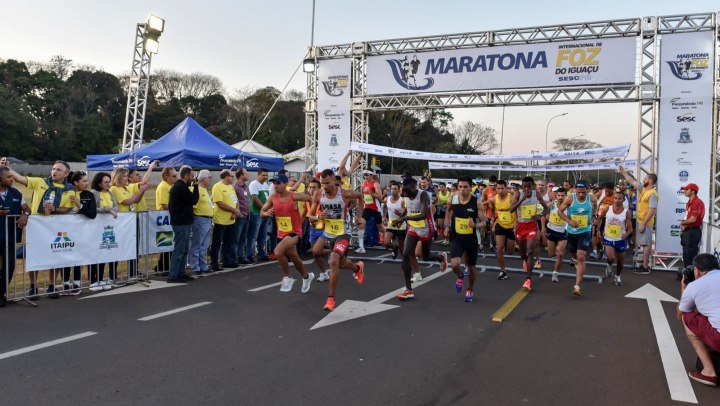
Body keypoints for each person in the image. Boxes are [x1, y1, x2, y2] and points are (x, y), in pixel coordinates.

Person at [6, 160, 74, 299]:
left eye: (59, 170)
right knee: (34, 257)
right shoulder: (40, 182)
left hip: (56, 228)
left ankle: (52, 286)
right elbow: (20, 179)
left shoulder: (69, 189)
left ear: (66, 174)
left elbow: (68, 208)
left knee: (56, 256)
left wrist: (55, 209)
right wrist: (7, 168)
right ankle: (33, 287)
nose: (54, 171)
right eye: (54, 168)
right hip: (37, 227)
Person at [310, 170, 365, 311]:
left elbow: (360, 196)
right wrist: (317, 217)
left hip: (343, 232)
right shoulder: (318, 194)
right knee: (316, 251)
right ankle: (357, 268)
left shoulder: (344, 193)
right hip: (328, 232)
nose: (324, 186)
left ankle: (331, 299)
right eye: (322, 183)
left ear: (334, 181)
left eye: (327, 183)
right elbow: (310, 217)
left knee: (334, 260)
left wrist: (359, 217)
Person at [392, 177, 448, 301]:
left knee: (425, 256)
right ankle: (409, 289)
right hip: (413, 228)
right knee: (406, 254)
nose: (406, 194)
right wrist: (400, 218)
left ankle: (440, 257)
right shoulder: (406, 195)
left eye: (408, 191)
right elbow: (408, 208)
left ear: (414, 186)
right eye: (405, 192)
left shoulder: (423, 195)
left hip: (426, 228)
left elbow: (423, 214)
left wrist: (405, 219)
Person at [260, 174, 314, 293]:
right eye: (274, 183)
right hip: (282, 233)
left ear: (285, 184)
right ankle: (306, 277)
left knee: (278, 252)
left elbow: (309, 199)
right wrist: (266, 212)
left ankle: (287, 277)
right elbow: (262, 211)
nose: (275, 185)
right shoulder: (272, 198)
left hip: (294, 232)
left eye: (278, 183)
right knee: (294, 257)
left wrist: (311, 213)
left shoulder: (293, 196)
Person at [678, 253, 720, 387]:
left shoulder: (694, 286)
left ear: (697, 270)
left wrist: (684, 289)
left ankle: (709, 372)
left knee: (688, 318)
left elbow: (680, 314)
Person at [444, 176, 485, 302]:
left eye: (465, 187)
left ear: (471, 187)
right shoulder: (453, 199)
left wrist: (475, 225)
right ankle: (461, 275)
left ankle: (470, 289)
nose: (462, 189)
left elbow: (484, 222)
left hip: (471, 239)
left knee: (471, 267)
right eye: (460, 187)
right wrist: (447, 226)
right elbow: (448, 212)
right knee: (455, 265)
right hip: (457, 238)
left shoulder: (476, 202)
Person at [557, 181, 597, 297]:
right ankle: (576, 262)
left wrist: (594, 216)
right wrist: (569, 221)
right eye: (578, 192)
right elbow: (560, 211)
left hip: (585, 231)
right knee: (574, 254)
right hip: (571, 232)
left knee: (581, 256)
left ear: (588, 190)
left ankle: (577, 286)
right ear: (575, 190)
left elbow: (595, 207)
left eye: (583, 192)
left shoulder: (592, 198)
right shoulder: (570, 199)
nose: (580, 195)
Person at [60, 171, 97, 296]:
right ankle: (65, 284)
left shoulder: (89, 195)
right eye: (84, 181)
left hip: (82, 232)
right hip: (65, 231)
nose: (87, 183)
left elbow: (92, 214)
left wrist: (79, 204)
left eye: (87, 181)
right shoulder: (66, 192)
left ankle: (76, 283)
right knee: (65, 257)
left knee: (77, 257)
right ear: (76, 182)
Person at [509, 176, 548, 292]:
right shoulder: (518, 194)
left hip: (532, 226)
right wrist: (522, 199)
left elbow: (546, 209)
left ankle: (528, 279)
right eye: (524, 186)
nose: (527, 189)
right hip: (521, 226)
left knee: (530, 251)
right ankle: (525, 260)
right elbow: (511, 210)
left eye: (529, 187)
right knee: (523, 254)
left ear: (533, 186)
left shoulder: (537, 194)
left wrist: (540, 216)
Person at [0, 163, 30, 306]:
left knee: (9, 266)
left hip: (10, 237)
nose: (12, 179)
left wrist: (25, 214)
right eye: (8, 177)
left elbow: (27, 208)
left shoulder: (16, 193)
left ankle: (2, 294)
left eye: (12, 176)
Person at [618, 165, 657, 275]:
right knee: (643, 244)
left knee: (646, 244)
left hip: (646, 222)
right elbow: (632, 181)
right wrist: (623, 172)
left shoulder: (653, 193)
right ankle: (643, 264)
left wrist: (643, 224)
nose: (643, 180)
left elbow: (652, 210)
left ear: (650, 181)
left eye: (645, 178)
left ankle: (645, 266)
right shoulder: (644, 189)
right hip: (641, 220)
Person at [167, 165, 199, 282]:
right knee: (180, 249)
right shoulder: (180, 187)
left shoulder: (181, 186)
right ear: (186, 176)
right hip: (180, 222)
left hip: (183, 221)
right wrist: (196, 187)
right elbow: (194, 200)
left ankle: (180, 272)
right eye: (191, 177)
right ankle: (174, 275)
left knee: (184, 249)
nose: (193, 179)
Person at [90, 172, 118, 291]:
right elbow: (93, 208)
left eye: (109, 181)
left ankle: (100, 279)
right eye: (106, 182)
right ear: (99, 183)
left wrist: (109, 209)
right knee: (94, 253)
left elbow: (116, 207)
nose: (108, 184)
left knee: (103, 253)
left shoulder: (110, 193)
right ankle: (93, 280)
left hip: (106, 228)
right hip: (95, 228)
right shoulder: (94, 193)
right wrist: (105, 210)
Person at [603, 188, 633, 286]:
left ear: (623, 200)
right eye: (615, 198)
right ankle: (609, 265)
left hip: (620, 239)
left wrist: (626, 234)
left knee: (620, 261)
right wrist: (600, 230)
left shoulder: (626, 213)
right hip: (609, 237)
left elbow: (630, 229)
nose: (616, 200)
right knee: (611, 257)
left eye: (619, 198)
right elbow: (599, 218)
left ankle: (618, 276)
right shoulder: (608, 208)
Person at [211, 170, 240, 271]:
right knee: (217, 243)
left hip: (231, 220)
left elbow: (236, 201)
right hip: (220, 220)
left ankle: (227, 261)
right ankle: (214, 263)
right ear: (226, 176)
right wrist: (234, 210)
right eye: (232, 176)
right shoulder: (217, 186)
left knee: (229, 242)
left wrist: (236, 211)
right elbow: (219, 203)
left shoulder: (231, 187)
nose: (233, 178)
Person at [488, 179, 516, 280]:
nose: (500, 190)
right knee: (499, 248)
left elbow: (518, 210)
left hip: (511, 226)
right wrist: (492, 218)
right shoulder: (493, 199)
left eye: (502, 188)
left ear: (506, 188)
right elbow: (491, 209)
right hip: (500, 224)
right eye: (498, 188)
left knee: (510, 251)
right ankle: (503, 271)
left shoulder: (511, 198)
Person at [189, 170, 213, 275]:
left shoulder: (204, 190)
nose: (211, 179)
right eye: (209, 177)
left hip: (207, 219)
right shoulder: (195, 189)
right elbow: (193, 206)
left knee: (204, 244)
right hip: (199, 219)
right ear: (203, 179)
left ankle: (203, 265)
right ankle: (195, 266)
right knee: (197, 244)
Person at [306, 178, 330, 282]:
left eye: (314, 188)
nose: (311, 190)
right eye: (310, 187)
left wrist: (318, 217)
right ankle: (324, 273)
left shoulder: (324, 201)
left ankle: (335, 250)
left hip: (324, 228)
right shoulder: (307, 200)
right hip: (313, 228)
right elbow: (306, 214)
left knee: (316, 250)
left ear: (319, 189)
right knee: (315, 254)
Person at [155, 166, 177, 274]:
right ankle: (162, 267)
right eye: (173, 176)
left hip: (169, 218)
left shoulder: (170, 186)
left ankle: (165, 266)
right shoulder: (164, 187)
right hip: (165, 219)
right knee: (166, 244)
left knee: (170, 244)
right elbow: (164, 205)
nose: (175, 178)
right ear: (166, 176)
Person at [680, 183, 705, 274]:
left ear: (693, 191)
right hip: (688, 231)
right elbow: (688, 218)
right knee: (686, 255)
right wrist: (684, 225)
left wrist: (682, 223)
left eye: (687, 189)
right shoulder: (690, 202)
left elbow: (693, 219)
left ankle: (691, 277)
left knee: (690, 256)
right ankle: (687, 275)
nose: (685, 191)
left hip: (693, 232)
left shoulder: (697, 202)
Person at [357, 169, 383, 254]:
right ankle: (361, 247)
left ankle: (387, 241)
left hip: (375, 208)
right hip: (367, 208)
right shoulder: (364, 183)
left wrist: (371, 193)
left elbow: (380, 196)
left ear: (371, 175)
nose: (366, 176)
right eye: (364, 175)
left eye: (367, 175)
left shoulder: (375, 184)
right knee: (361, 224)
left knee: (380, 227)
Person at [247, 168, 271, 262]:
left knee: (263, 235)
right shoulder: (253, 184)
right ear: (258, 175)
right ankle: (249, 254)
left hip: (264, 213)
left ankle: (261, 253)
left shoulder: (265, 184)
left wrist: (268, 209)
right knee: (253, 235)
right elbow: (255, 198)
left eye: (266, 175)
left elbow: (268, 199)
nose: (265, 177)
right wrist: (264, 208)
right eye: (263, 175)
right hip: (256, 213)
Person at [546, 187, 568, 283]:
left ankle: (555, 273)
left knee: (559, 254)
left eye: (562, 195)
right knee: (551, 254)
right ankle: (558, 253)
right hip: (551, 230)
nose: (560, 197)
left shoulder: (569, 206)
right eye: (558, 195)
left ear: (566, 196)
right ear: (556, 195)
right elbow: (543, 214)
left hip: (563, 231)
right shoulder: (552, 204)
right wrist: (542, 227)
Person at [591, 182, 615, 260]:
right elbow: (593, 200)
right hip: (599, 216)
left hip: (609, 218)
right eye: (606, 191)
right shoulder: (601, 193)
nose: (607, 193)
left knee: (605, 235)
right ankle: (595, 251)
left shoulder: (616, 196)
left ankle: (604, 250)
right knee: (595, 234)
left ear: (613, 190)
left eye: (609, 192)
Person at [383, 181, 406, 260]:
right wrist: (384, 216)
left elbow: (405, 215)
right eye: (392, 189)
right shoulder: (387, 199)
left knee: (402, 249)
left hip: (400, 226)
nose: (393, 190)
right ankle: (395, 247)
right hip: (391, 225)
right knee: (386, 243)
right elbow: (384, 207)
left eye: (395, 189)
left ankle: (406, 263)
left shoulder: (402, 201)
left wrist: (399, 213)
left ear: (399, 190)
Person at [232, 168, 251, 264]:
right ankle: (235, 258)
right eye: (246, 174)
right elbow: (235, 201)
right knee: (236, 239)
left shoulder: (245, 187)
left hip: (246, 216)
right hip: (240, 216)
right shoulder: (235, 187)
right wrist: (237, 212)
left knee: (243, 239)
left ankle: (241, 257)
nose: (248, 175)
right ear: (241, 175)